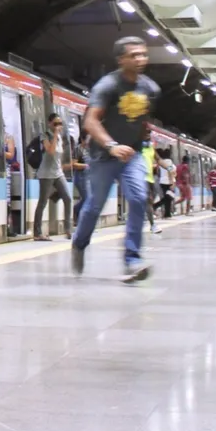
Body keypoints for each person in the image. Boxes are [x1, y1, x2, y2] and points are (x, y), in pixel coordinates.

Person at [70, 37, 160, 283]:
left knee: (139, 198)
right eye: (134, 55)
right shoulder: (107, 86)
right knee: (94, 206)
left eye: (143, 54)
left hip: (132, 155)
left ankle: (132, 260)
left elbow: (143, 121)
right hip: (103, 156)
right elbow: (90, 120)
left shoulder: (151, 89)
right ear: (121, 60)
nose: (140, 59)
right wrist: (111, 145)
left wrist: (140, 147)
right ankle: (79, 244)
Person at [33, 114, 71, 241]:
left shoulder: (60, 137)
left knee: (68, 198)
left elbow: (59, 157)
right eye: (55, 124)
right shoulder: (45, 136)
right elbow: (50, 151)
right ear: (49, 124)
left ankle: (68, 229)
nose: (58, 126)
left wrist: (57, 135)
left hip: (58, 173)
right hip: (46, 174)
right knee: (42, 202)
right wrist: (55, 134)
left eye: (60, 124)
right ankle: (37, 233)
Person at [140, 134, 161, 233]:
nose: (148, 135)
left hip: (150, 179)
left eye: (149, 133)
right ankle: (152, 225)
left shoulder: (151, 147)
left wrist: (170, 168)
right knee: (148, 201)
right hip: (140, 178)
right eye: (146, 133)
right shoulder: (136, 147)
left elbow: (158, 159)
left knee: (149, 201)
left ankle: (149, 223)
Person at [69, 131, 89, 237]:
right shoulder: (78, 149)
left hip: (88, 177)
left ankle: (81, 219)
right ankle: (76, 211)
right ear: (82, 139)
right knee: (87, 198)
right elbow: (73, 164)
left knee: (88, 199)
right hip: (80, 177)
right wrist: (86, 165)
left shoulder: (89, 149)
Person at [152, 146, 175, 221]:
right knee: (168, 198)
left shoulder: (161, 162)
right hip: (167, 182)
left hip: (162, 181)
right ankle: (158, 208)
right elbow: (170, 171)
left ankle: (166, 213)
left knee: (166, 197)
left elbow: (159, 171)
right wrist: (172, 182)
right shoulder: (168, 162)